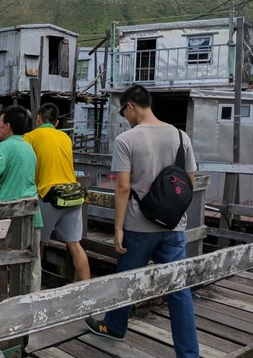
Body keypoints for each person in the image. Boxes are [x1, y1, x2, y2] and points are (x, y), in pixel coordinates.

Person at [85, 85, 199, 357]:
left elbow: (123, 187)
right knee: (178, 289)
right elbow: (190, 181)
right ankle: (189, 353)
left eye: (124, 111)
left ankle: (114, 327)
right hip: (173, 227)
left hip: (138, 226)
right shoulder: (181, 137)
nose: (125, 117)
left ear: (131, 106)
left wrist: (117, 229)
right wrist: (175, 215)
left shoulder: (127, 140)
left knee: (126, 281)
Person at [23, 103, 90, 281]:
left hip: (48, 195)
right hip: (72, 195)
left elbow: (27, 166)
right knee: (75, 245)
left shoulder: (30, 137)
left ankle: (34, 285)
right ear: (57, 122)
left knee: (38, 243)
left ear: (37, 119)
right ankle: (88, 287)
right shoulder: (66, 138)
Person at [0, 105, 42, 228]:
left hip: (10, 212)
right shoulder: (28, 147)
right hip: (31, 208)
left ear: (7, 126)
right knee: (31, 246)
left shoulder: (5, 146)